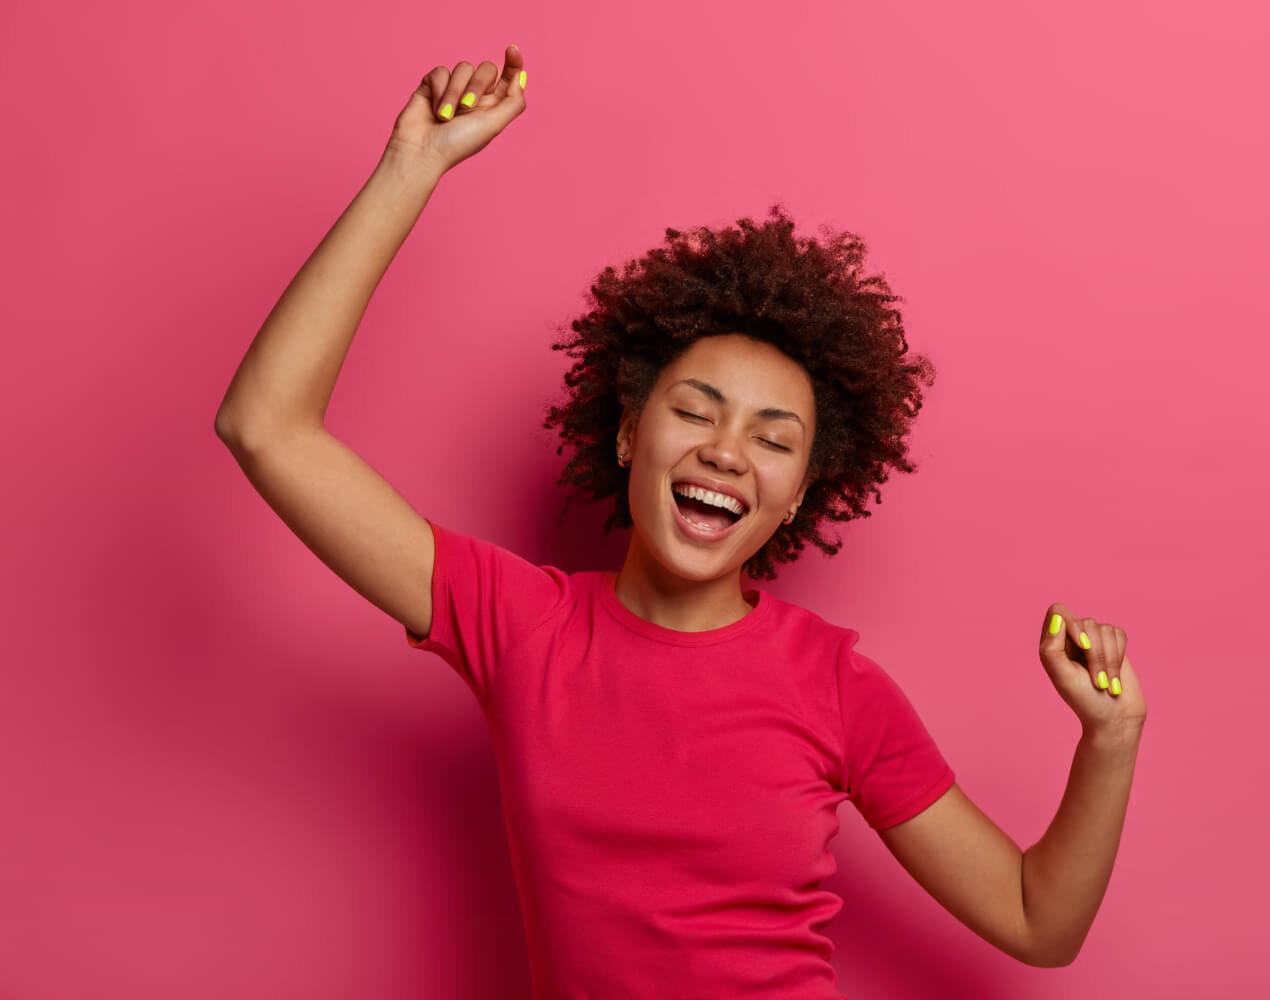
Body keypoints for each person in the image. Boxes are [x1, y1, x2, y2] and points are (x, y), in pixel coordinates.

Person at [214, 48, 1148, 998]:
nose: (725, 451)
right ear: (628, 435)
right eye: (695, 412)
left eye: (772, 439)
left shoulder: (836, 688)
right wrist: (410, 167)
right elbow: (265, 427)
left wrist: (1110, 740)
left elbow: (1039, 922)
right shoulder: (520, 625)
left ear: (798, 496)